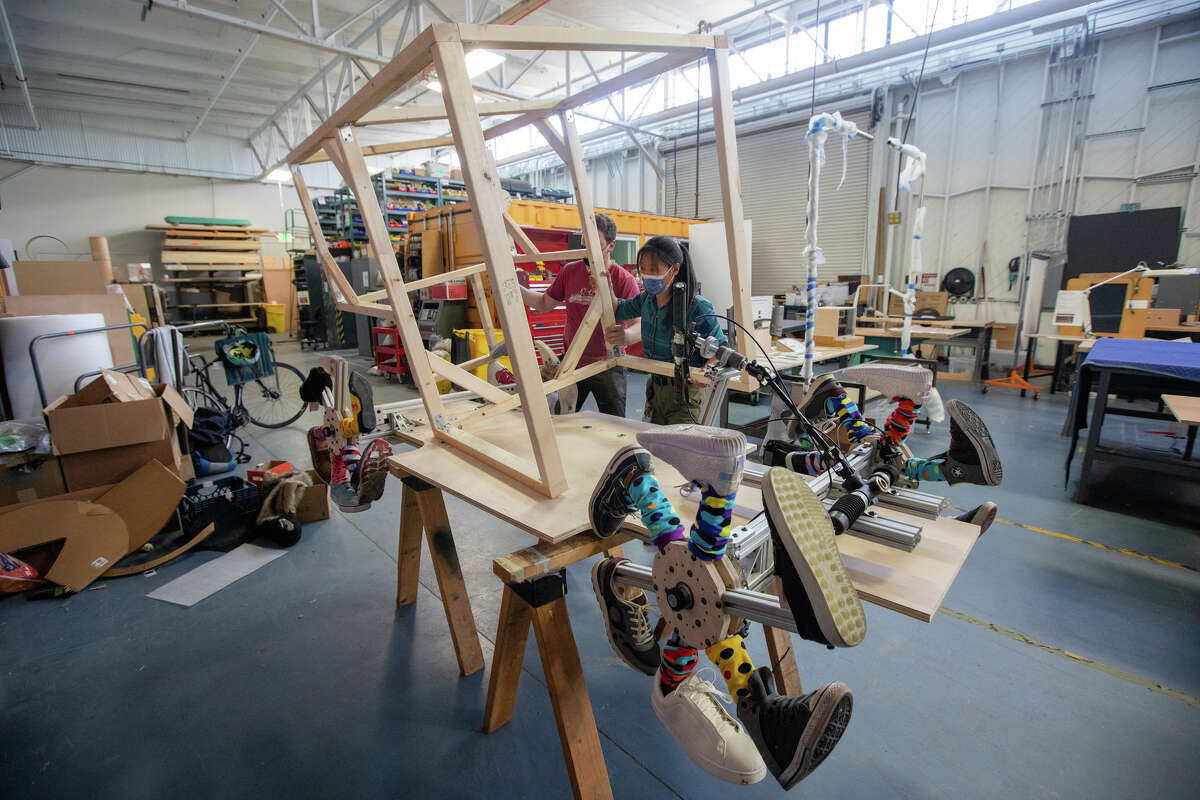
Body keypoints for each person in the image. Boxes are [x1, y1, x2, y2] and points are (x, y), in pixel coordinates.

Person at [589, 424, 858, 789]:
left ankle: (647, 483)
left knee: (703, 598)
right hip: (688, 606)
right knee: (701, 600)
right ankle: (668, 485)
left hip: (691, 602)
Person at [519, 213, 639, 416]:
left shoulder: (623, 280)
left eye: (596, 245)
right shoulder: (570, 272)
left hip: (608, 364)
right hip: (573, 361)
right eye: (585, 244)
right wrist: (513, 289)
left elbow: (639, 324)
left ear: (611, 246)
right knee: (563, 419)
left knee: (613, 425)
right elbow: (543, 304)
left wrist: (625, 336)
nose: (588, 252)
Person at [602, 236, 728, 424]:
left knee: (679, 450)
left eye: (653, 270)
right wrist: (606, 287)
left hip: (687, 394)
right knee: (653, 446)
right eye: (642, 270)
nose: (646, 276)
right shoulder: (646, 300)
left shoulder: (697, 307)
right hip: (656, 388)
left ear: (675, 269)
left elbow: (723, 348)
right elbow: (619, 309)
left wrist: (707, 370)